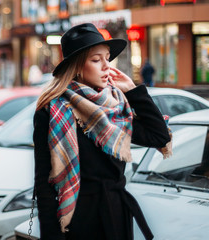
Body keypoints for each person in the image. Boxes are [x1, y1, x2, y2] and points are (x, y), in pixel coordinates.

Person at [33, 23, 172, 240]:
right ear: (77, 66)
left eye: (108, 58)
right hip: (78, 223)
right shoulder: (52, 111)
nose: (106, 66)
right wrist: (51, 235)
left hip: (116, 216)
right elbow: (44, 182)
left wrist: (134, 91)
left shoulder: (116, 106)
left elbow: (159, 136)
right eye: (96, 60)